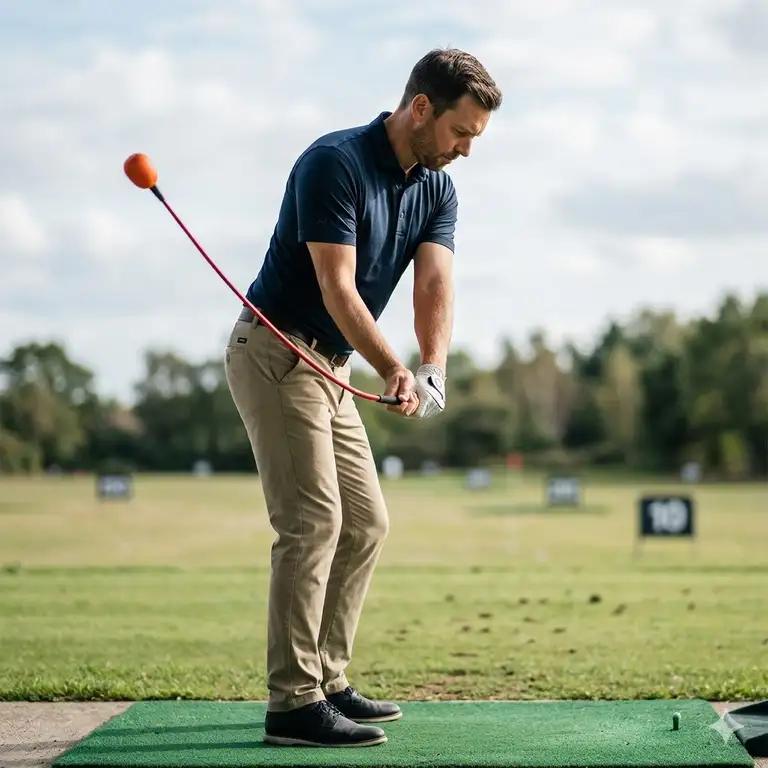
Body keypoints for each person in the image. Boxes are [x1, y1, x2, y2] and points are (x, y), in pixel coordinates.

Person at [224, 47, 502, 748]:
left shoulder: (437, 189)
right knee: (312, 523)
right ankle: (292, 703)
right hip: (278, 353)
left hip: (335, 368)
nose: (466, 149)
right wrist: (393, 369)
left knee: (367, 524)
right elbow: (336, 287)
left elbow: (434, 284)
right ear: (420, 109)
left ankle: (328, 677)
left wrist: (431, 365)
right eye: (461, 132)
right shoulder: (335, 163)